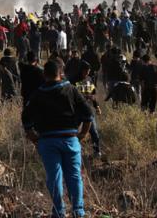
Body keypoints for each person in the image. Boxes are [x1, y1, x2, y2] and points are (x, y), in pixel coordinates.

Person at [22, 60, 92, 218]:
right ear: (61, 73)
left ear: (44, 74)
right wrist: (82, 134)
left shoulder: (37, 94)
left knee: (54, 177)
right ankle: (78, 211)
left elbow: (26, 120)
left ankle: (59, 211)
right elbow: (89, 115)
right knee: (74, 176)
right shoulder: (71, 89)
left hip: (47, 141)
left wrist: (35, 140)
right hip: (71, 139)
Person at [75, 62, 102, 158]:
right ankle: (73, 150)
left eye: (88, 71)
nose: (87, 73)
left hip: (88, 110)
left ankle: (97, 151)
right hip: (77, 111)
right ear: (81, 70)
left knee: (94, 132)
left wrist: (97, 106)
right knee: (72, 131)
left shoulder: (89, 79)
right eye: (85, 71)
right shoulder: (74, 80)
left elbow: (93, 95)